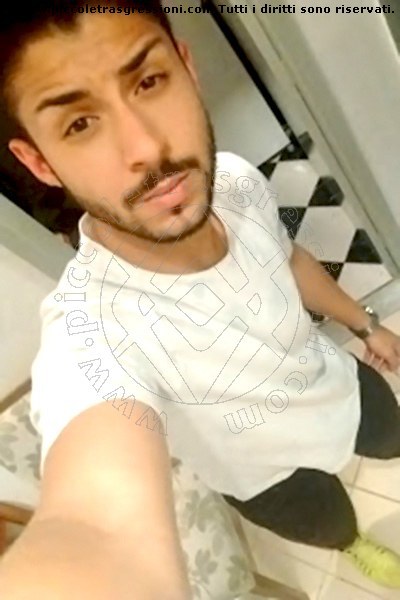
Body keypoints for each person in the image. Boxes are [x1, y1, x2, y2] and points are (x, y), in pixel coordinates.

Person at [1, 1, 400, 597]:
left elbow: (287, 258)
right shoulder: (91, 328)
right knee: (331, 525)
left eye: (148, 81)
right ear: (39, 161)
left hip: (336, 383)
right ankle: (353, 545)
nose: (148, 147)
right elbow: (96, 525)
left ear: (187, 68)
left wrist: (366, 325)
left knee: (392, 434)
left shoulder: (234, 178)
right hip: (264, 476)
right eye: (79, 124)